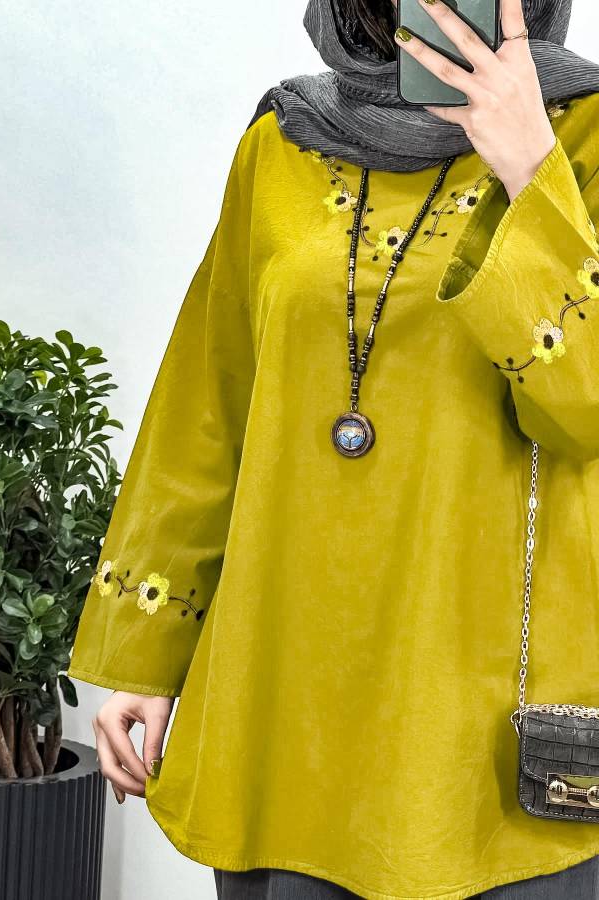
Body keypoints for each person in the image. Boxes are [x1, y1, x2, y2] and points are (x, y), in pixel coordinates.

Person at [67, 0, 599, 896]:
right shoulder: (284, 141)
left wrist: (530, 165)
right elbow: (210, 403)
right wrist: (148, 659)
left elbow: (585, 405)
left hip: (480, 724)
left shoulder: (581, 136)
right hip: (283, 694)